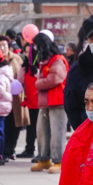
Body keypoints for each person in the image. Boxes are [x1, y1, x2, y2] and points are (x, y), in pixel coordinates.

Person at [31, 33, 69, 174]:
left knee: (57, 132)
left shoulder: (57, 60)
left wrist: (38, 83)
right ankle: (44, 159)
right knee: (42, 132)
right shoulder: (47, 60)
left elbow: (56, 78)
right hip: (46, 102)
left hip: (57, 101)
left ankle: (58, 160)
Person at [0, 35, 28, 161]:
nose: (3, 47)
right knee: (0, 127)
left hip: (15, 98)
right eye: (0, 45)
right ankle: (2, 151)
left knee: (14, 124)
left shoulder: (17, 59)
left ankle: (10, 150)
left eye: (5, 45)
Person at [19, 43, 39, 159]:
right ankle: (29, 148)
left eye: (29, 52)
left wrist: (35, 70)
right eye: (25, 52)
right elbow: (20, 80)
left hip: (39, 101)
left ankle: (38, 150)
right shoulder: (26, 65)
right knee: (30, 127)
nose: (27, 54)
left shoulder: (39, 64)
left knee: (37, 128)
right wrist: (23, 67)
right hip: (30, 100)